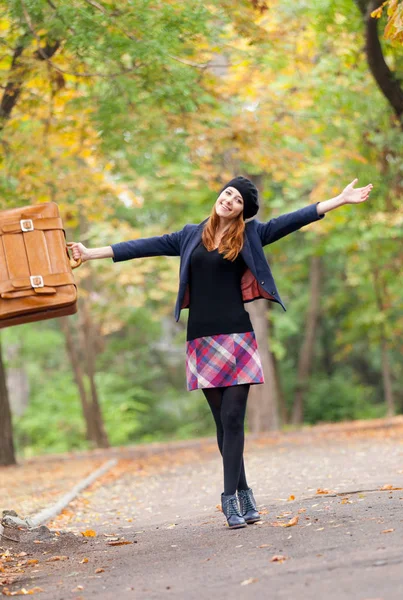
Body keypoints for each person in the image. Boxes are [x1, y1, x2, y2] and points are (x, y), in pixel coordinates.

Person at [69, 175, 373, 529]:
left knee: (233, 418)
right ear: (220, 196)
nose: (229, 200)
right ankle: (245, 493)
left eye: (238, 200)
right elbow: (142, 246)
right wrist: (90, 254)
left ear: (243, 211)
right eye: (227, 194)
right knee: (221, 423)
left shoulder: (250, 235)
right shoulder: (188, 235)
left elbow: (295, 218)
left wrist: (338, 199)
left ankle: (229, 499)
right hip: (201, 339)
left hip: (237, 337)